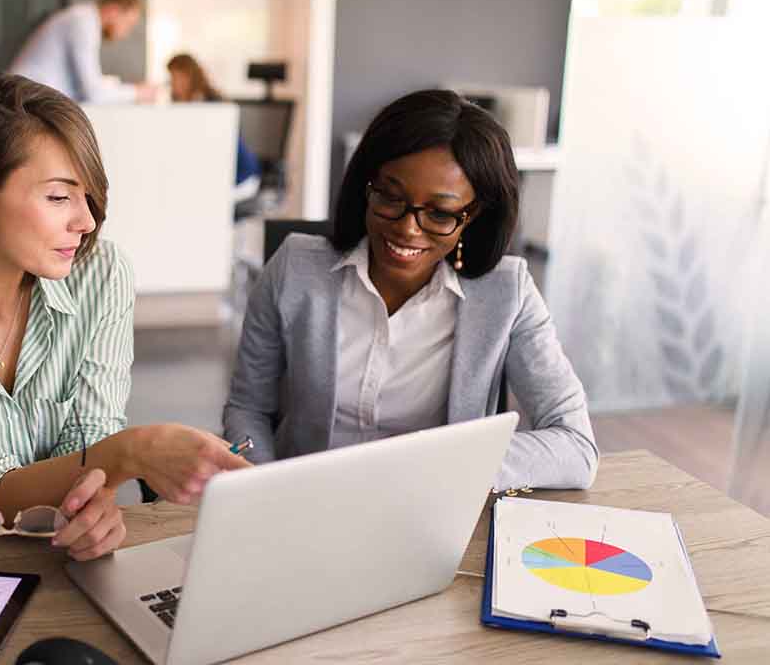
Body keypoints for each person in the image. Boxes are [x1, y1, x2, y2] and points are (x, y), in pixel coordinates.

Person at [0, 72, 249, 559]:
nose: (86, 221)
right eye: (58, 197)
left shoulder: (101, 274)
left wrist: (93, 502)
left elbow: (93, 433)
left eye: (87, 195)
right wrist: (135, 452)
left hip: (45, 523)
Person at [222, 89, 598, 491]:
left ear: (474, 216)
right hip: (301, 504)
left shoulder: (508, 294)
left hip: (432, 510)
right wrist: (261, 489)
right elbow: (249, 409)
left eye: (439, 213)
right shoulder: (295, 268)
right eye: (390, 196)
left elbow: (575, 445)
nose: (407, 228)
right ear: (367, 185)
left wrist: (439, 470)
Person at [9, 0, 156, 104]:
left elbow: (87, 87)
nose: (125, 33)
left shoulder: (83, 18)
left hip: (29, 98)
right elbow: (94, 93)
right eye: (128, 24)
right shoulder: (83, 23)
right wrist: (137, 93)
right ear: (113, 10)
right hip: (25, 102)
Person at [166, 53, 261, 199]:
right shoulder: (184, 107)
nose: (171, 84)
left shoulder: (211, 106)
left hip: (240, 177)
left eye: (174, 77)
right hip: (219, 176)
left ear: (187, 76)